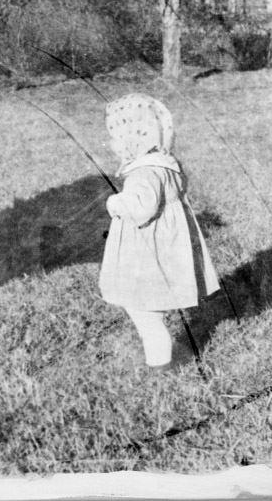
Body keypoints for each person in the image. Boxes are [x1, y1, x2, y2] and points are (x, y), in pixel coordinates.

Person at [100, 93, 219, 369]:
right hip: (165, 249)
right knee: (150, 306)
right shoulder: (165, 164)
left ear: (134, 139)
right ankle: (163, 354)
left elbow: (140, 207)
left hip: (148, 254)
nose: (112, 144)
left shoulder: (144, 173)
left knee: (143, 311)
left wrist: (115, 203)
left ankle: (161, 365)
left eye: (116, 137)